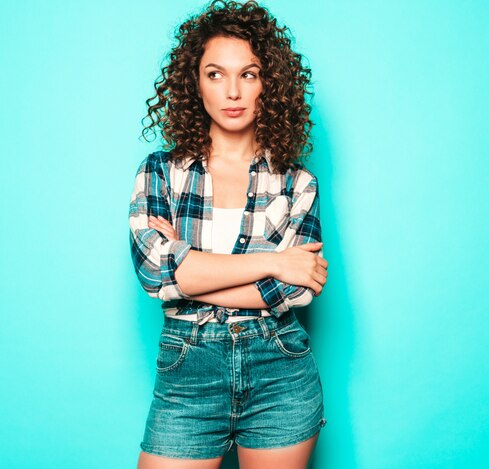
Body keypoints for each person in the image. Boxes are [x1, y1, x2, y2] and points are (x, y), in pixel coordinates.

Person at [128, 1, 329, 467]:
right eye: (215, 74)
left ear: (269, 85)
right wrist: (273, 260)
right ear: (194, 83)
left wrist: (189, 265)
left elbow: (294, 292)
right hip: (187, 370)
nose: (233, 91)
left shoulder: (297, 183)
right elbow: (154, 274)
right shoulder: (161, 172)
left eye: (250, 74)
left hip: (279, 367)